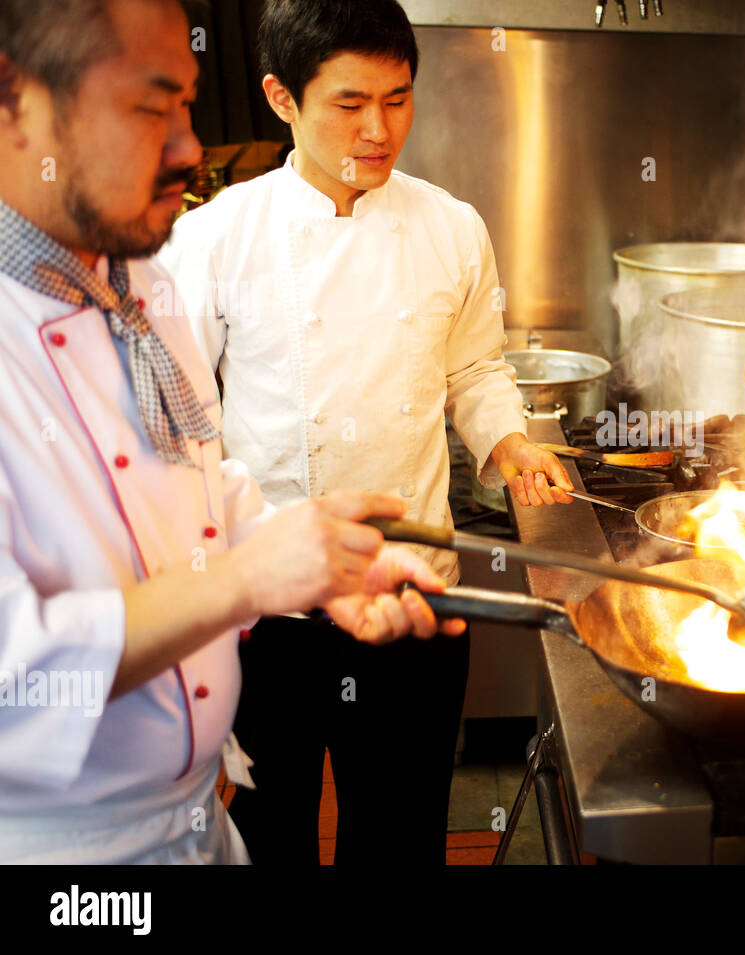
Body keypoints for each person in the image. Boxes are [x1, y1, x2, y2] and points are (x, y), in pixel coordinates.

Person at [0, 0, 455, 864]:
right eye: (148, 105)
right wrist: (247, 576)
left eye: (186, 104)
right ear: (14, 103)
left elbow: (205, 495)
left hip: (200, 826)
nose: (186, 146)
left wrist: (319, 563)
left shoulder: (140, 288)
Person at [159, 0, 575, 865]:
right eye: (351, 104)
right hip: (271, 608)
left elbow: (474, 371)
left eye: (399, 97)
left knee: (400, 837)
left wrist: (508, 442)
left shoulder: (452, 227)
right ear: (282, 98)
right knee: (269, 838)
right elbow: (180, 428)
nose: (380, 129)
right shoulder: (213, 238)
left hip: (416, 590)